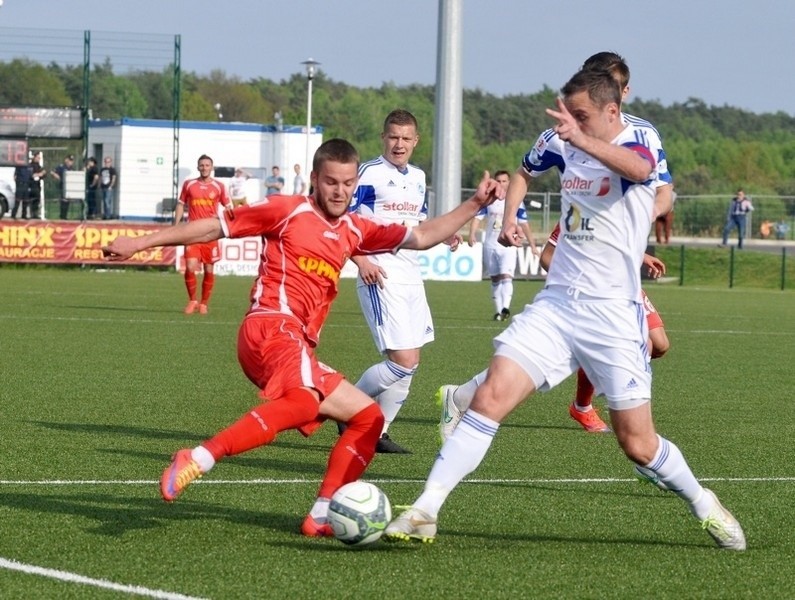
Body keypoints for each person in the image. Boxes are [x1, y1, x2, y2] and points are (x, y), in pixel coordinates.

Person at [386, 69, 746, 551]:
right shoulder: (566, 139)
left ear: (611, 111)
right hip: (557, 305)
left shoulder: (639, 140)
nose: (568, 125)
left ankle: (704, 503)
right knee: (492, 396)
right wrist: (513, 212)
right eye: (566, 115)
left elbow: (642, 172)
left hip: (613, 313)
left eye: (580, 116)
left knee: (637, 444)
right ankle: (426, 509)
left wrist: (595, 154)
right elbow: (527, 170)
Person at [101, 138, 499, 537]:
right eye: (331, 182)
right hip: (270, 326)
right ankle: (200, 456)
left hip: (297, 344)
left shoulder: (355, 229)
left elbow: (423, 236)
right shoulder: (287, 210)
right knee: (305, 400)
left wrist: (474, 205)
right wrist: (140, 243)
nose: (339, 191)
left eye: (346, 183)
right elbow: (212, 226)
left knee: (367, 418)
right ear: (314, 179)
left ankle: (323, 514)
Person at [440, 223, 671, 439]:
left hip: (622, 288)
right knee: (546, 356)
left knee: (658, 344)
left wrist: (640, 257)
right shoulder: (579, 205)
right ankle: (600, 415)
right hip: (589, 296)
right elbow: (548, 257)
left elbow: (614, 246)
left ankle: (461, 397)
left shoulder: (621, 201)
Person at [346, 109, 445, 454]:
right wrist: (361, 261)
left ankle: (378, 431)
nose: (399, 144)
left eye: (406, 138)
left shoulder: (418, 176)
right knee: (401, 360)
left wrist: (443, 235)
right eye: (393, 137)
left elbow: (416, 222)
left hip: (410, 275)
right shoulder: (368, 173)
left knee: (412, 361)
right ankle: (348, 407)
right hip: (380, 273)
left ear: (416, 141)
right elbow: (342, 219)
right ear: (383, 138)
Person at [468, 169, 538, 321]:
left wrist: (532, 244)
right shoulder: (489, 200)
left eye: (504, 181)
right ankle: (499, 311)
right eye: (498, 181)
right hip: (490, 245)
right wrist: (472, 233)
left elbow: (524, 224)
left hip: (508, 245)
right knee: (495, 279)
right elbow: (477, 218)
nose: (501, 184)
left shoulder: (515, 202)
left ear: (509, 182)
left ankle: (505, 307)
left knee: (507, 277)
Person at [173, 154, 231, 315]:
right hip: (192, 233)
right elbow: (180, 204)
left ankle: (204, 303)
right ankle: (192, 300)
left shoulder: (219, 186)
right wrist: (176, 226)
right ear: (198, 167)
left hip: (211, 233)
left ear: (212, 167)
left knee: (209, 269)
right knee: (190, 266)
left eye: (207, 165)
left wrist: (224, 222)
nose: (204, 168)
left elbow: (228, 207)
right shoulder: (189, 184)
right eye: (202, 165)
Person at [51, 154, 75, 219]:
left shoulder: (71, 168)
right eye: (69, 160)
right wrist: (58, 177)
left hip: (69, 186)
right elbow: (52, 172)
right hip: (63, 185)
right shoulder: (61, 167)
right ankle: (62, 215)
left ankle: (65, 215)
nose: (71, 162)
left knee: (68, 201)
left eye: (72, 161)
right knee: (63, 201)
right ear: (66, 160)